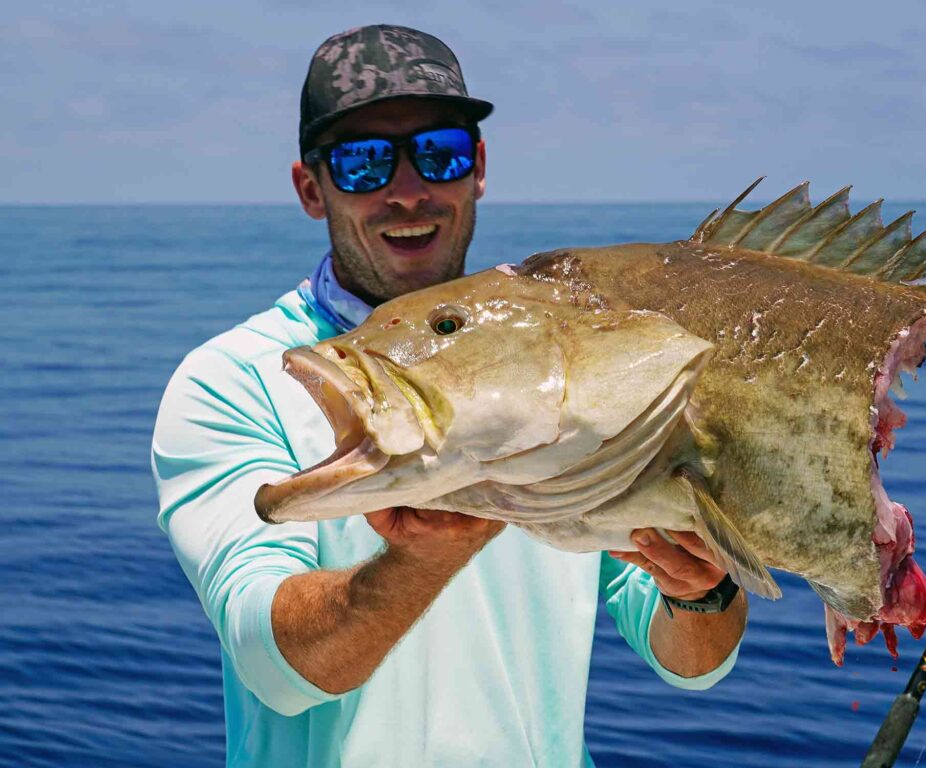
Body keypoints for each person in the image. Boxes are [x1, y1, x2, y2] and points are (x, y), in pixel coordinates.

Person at [151, 24, 747, 768]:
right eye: (364, 163)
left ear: (479, 168)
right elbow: (272, 664)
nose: (408, 191)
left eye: (441, 153)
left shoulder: (573, 363)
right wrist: (423, 556)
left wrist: (701, 591)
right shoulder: (233, 379)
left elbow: (691, 663)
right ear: (312, 189)